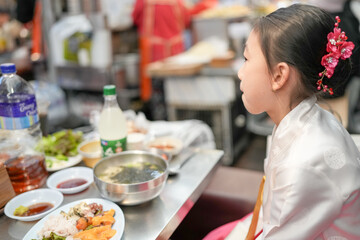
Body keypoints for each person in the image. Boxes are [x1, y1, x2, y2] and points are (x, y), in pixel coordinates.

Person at [204, 4, 360, 240]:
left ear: (279, 75)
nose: (240, 73)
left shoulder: (304, 164)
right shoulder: (305, 119)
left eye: (246, 59)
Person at [132, 0, 217, 104]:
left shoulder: (142, 1)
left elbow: (135, 18)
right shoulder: (178, 1)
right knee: (176, 90)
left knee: (156, 90)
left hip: (154, 52)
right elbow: (186, 20)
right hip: (175, 51)